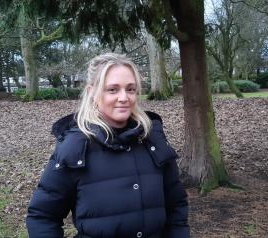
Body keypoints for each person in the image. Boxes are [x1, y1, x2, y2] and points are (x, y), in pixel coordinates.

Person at [26, 53, 189, 238]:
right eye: (112, 89)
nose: (124, 97)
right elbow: (42, 216)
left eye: (130, 89)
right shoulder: (74, 148)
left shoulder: (153, 140)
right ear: (92, 92)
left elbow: (177, 207)